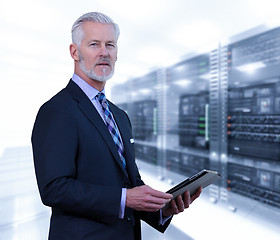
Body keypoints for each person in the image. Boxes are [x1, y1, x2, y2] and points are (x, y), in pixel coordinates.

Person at [31, 12, 202, 240]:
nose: (104, 52)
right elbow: (54, 188)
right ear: (74, 52)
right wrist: (124, 198)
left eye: (110, 45)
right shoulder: (57, 110)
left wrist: (161, 209)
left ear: (117, 53)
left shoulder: (119, 116)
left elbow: (131, 185)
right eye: (94, 44)